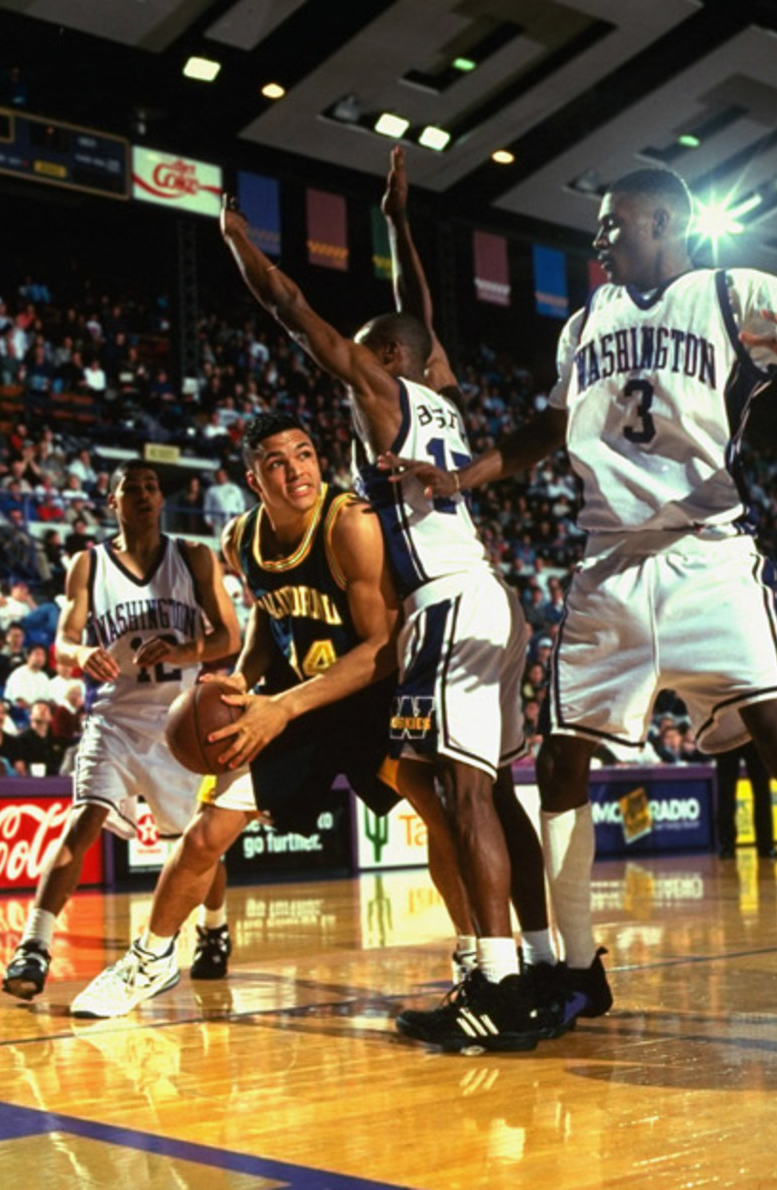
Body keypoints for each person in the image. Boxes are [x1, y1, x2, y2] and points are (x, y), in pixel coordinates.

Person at [393, 165, 777, 1025]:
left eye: (612, 224)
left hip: (707, 555)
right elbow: (551, 426)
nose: (600, 239)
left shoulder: (733, 292)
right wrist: (468, 474)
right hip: (607, 565)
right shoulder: (585, 324)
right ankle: (576, 968)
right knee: (563, 757)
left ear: (661, 220)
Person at [214, 180, 561, 1051]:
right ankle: (540, 963)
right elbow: (422, 312)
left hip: (446, 601)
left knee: (461, 794)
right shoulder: (442, 386)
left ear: (389, 363)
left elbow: (296, 311)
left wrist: (240, 247)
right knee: (491, 795)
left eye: (369, 356)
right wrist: (400, 223)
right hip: (493, 598)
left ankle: (494, 982)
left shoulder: (386, 389)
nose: (351, 374)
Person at [70, 414, 430, 1020]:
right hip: (294, 702)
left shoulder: (350, 525)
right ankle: (152, 958)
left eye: (305, 454)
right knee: (207, 831)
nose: (296, 471)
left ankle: (482, 961)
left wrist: (281, 705)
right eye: (277, 463)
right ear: (254, 479)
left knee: (443, 818)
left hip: (375, 696)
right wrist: (242, 674)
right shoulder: (241, 540)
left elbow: (381, 647)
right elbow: (269, 612)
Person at [2, 458, 240, 1003]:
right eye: (132, 488)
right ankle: (34, 946)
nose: (145, 494)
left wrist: (184, 650)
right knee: (82, 818)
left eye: (153, 487)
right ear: (113, 502)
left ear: (161, 500)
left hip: (180, 721)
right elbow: (63, 640)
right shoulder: (87, 564)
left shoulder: (195, 557)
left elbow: (230, 635)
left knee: (196, 845)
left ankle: (215, 927)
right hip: (113, 716)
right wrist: (82, 651)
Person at [715, 741, 777, 860]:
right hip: (727, 737)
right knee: (726, 793)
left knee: (762, 791)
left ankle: (766, 845)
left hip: (752, 736)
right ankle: (727, 847)